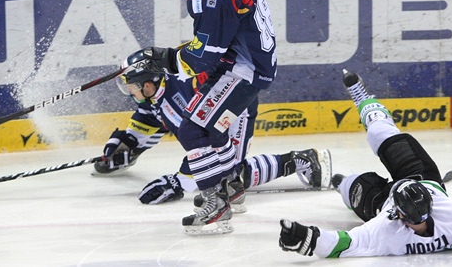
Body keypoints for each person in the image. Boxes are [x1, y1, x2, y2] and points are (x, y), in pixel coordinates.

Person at [278, 69, 452, 258]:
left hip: (381, 203)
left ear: (400, 215)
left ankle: (338, 182)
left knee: (352, 186)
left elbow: (343, 243)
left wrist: (307, 238)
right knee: (384, 134)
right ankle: (362, 98)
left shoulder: (386, 228)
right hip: (420, 175)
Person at [129, 0, 277, 235]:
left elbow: (202, 58)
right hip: (253, 61)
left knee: (192, 129)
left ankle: (217, 203)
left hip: (243, 69)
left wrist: (165, 58)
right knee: (209, 126)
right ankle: (231, 187)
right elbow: (229, 24)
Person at [96, 51, 329, 215]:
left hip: (234, 110)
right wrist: (127, 146)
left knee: (227, 177)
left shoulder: (186, 89)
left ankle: (302, 160)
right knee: (218, 176)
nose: (128, 91)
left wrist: (180, 182)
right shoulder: (154, 93)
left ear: (147, 84)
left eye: (131, 86)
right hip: (212, 121)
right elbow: (148, 118)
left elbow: (205, 142)